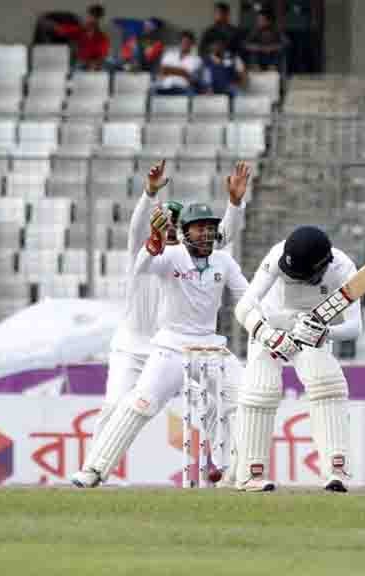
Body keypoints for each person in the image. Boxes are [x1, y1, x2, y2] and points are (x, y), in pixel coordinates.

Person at [71, 160, 250, 488]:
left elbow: (221, 236)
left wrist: (235, 204)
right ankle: (93, 468)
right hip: (141, 348)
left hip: (197, 345)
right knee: (125, 405)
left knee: (226, 402)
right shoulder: (153, 254)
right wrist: (149, 195)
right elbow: (142, 243)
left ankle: (230, 469)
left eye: (173, 226)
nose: (169, 231)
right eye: (163, 226)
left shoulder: (201, 253)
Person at [233, 226, 362, 492]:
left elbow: (355, 327)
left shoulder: (343, 269)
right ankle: (249, 473)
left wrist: (325, 334)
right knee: (260, 390)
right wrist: (266, 333)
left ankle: (336, 470)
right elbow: (244, 307)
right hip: (271, 324)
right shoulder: (277, 256)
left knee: (327, 384)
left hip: (313, 326)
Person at [154, 30, 202, 96]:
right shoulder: (169, 55)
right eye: (183, 42)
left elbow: (188, 75)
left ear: (192, 44)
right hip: (165, 87)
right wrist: (180, 72)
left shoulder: (196, 59)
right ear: (179, 42)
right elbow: (163, 70)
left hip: (183, 89)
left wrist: (170, 70)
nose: (184, 44)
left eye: (187, 42)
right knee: (152, 91)